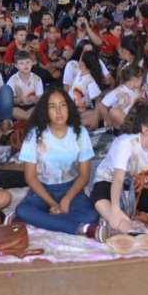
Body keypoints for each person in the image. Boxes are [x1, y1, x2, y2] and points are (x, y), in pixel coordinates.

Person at [86, 104, 148, 244]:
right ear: (146, 130)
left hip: (134, 189)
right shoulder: (125, 144)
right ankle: (132, 233)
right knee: (99, 199)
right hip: (109, 183)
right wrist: (115, 208)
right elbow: (118, 177)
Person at [14, 89, 98, 235]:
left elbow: (84, 175)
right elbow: (30, 177)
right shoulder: (34, 134)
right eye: (52, 107)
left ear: (69, 107)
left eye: (62, 105)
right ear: (45, 111)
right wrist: (52, 203)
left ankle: (46, 220)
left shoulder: (80, 133)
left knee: (92, 215)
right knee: (22, 210)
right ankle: (79, 228)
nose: (59, 111)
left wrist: (66, 200)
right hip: (41, 191)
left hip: (71, 190)